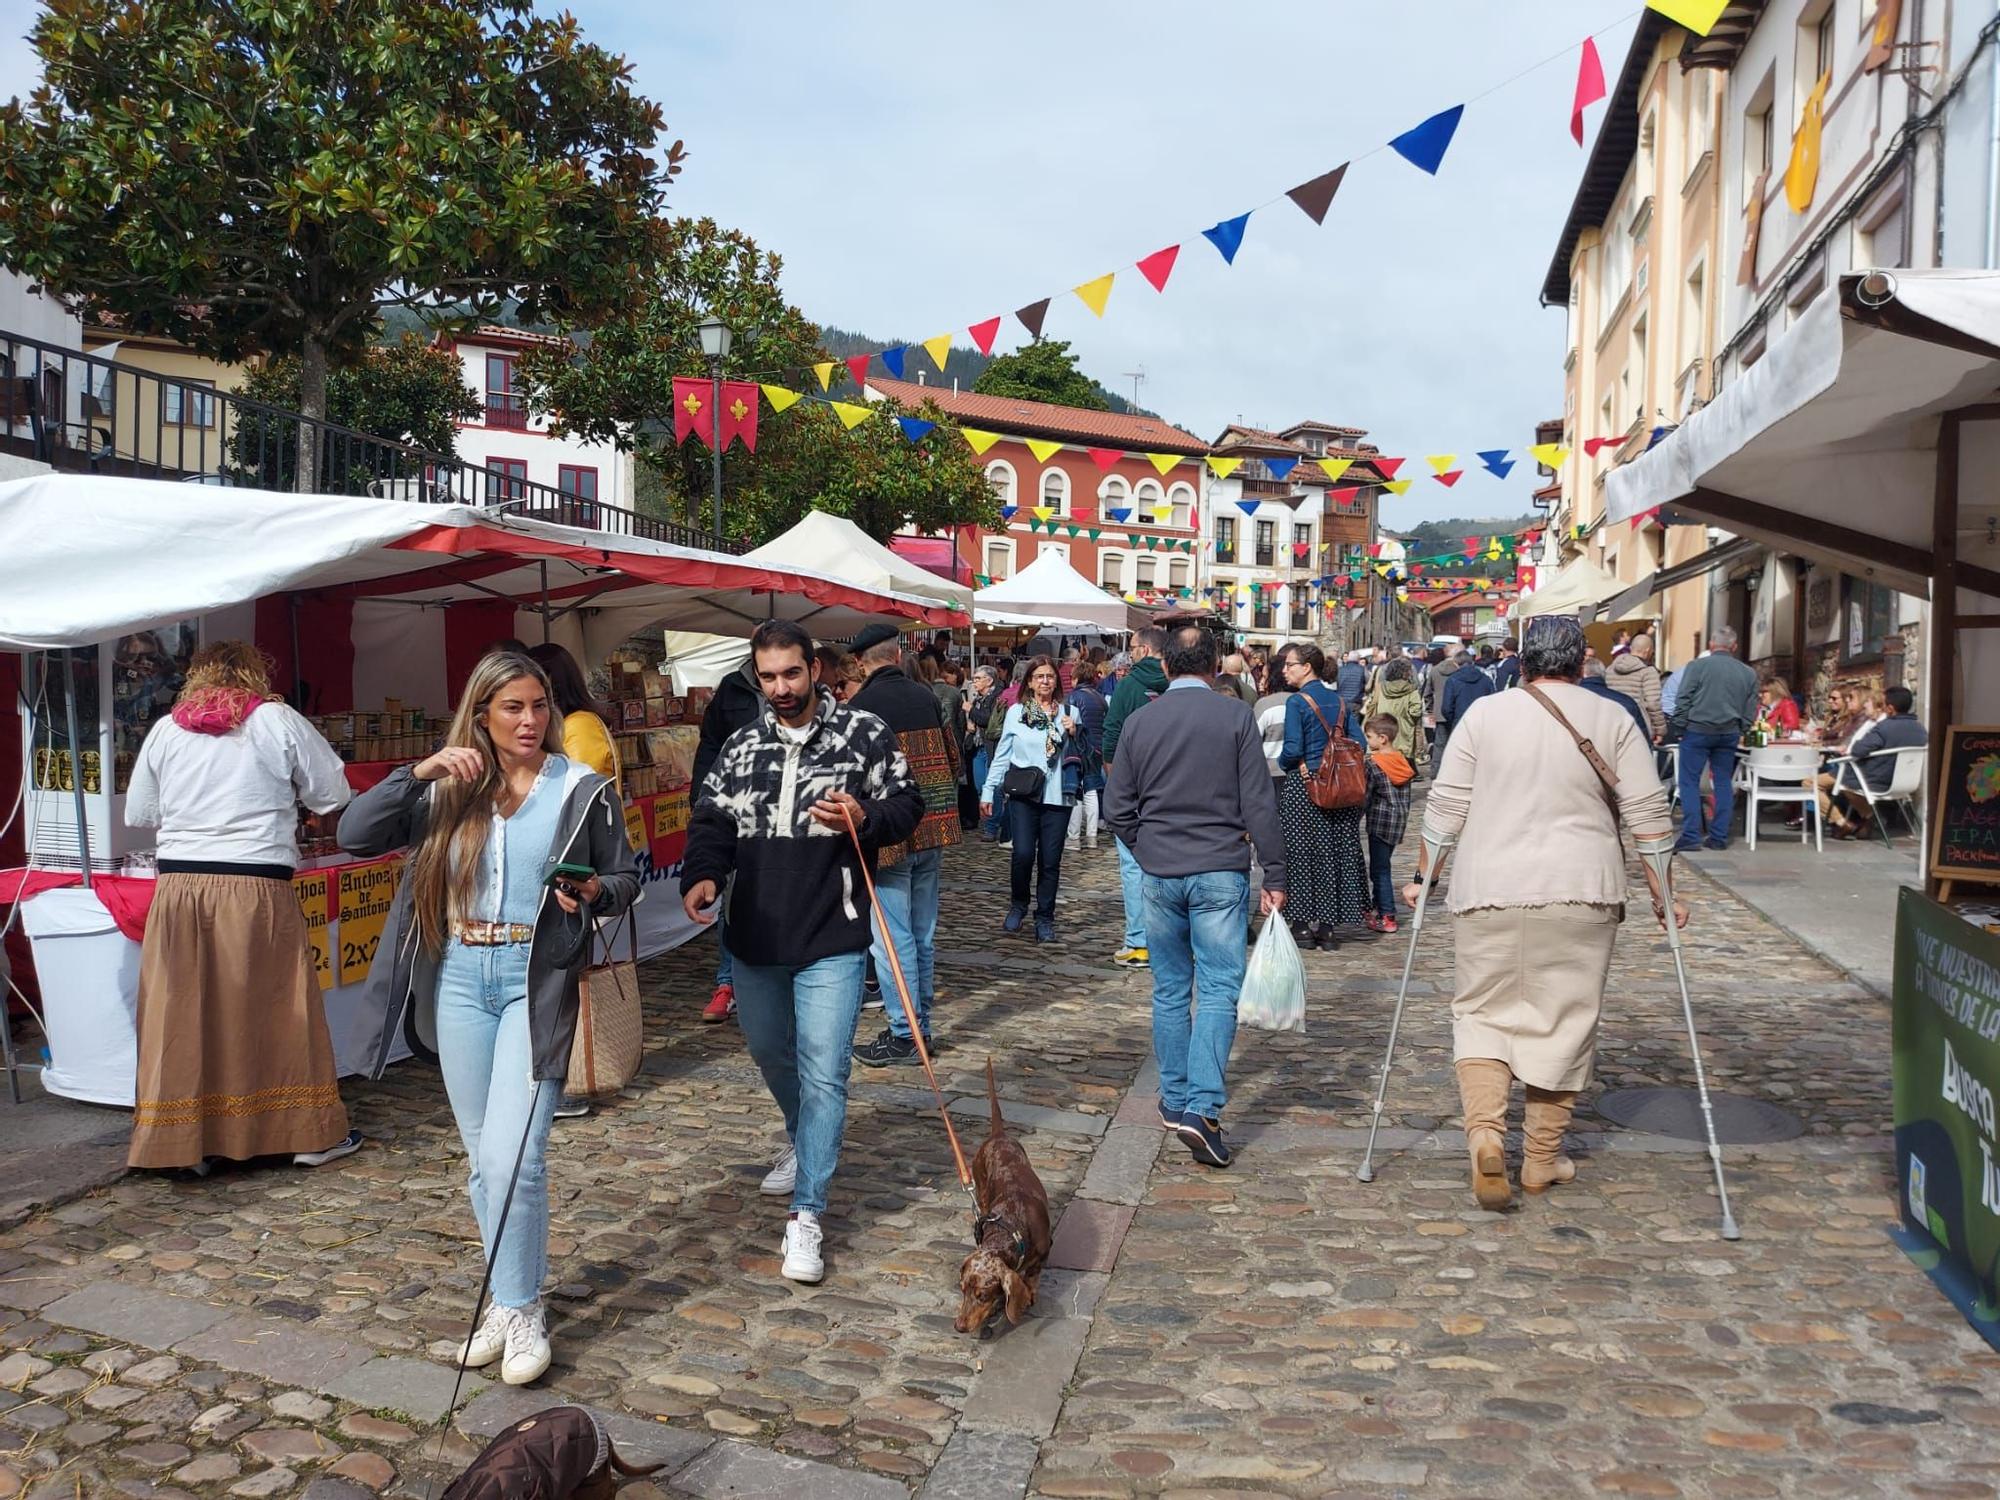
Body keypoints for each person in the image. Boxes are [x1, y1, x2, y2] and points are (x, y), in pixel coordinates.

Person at [340, 650, 640, 1383]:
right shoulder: (450, 789)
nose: (532, 721)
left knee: (518, 1156)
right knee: (483, 1158)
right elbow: (353, 833)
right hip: (459, 976)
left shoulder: (582, 788)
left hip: (534, 978)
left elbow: (624, 877)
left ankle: (522, 1306)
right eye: (514, 708)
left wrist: (595, 892)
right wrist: (417, 773)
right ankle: (509, 1301)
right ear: (482, 715)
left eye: (540, 705)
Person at [1408, 616, 1682, 1212]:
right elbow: (1648, 813)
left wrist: (1422, 877)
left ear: (1523, 662)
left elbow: (1445, 806)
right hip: (1581, 888)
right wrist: (1664, 893)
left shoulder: (1486, 713)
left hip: (1487, 887)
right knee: (1565, 1019)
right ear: (1581, 665)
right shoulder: (1612, 716)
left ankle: (1485, 1136)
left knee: (1480, 1013)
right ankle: (1539, 1159)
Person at [678, 620, 922, 1283]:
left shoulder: (862, 734)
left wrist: (866, 817)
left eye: (792, 673)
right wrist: (702, 872)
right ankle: (802, 1135)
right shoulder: (741, 744)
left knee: (825, 1071)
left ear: (814, 668)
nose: (782, 688)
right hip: (756, 932)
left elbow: (908, 804)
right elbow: (712, 821)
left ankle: (807, 1214)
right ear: (756, 679)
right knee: (766, 1048)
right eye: (769, 677)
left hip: (833, 934)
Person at [124, 642, 360, 1174]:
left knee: (184, 1011)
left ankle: (186, 1143)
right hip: (254, 881)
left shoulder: (166, 730)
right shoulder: (276, 720)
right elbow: (332, 793)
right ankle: (302, 1134)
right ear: (257, 678)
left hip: (182, 886)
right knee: (277, 1006)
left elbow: (142, 811)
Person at [1102, 626, 1285, 1169]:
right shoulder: (1234, 718)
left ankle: (1177, 1097)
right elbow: (1259, 801)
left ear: (1164, 667)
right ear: (1214, 667)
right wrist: (1274, 871)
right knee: (1219, 988)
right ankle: (1200, 1107)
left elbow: (1117, 807)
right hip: (1220, 868)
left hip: (1162, 869)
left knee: (1170, 989)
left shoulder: (1140, 720)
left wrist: (1148, 847)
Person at [846, 624, 963, 1068]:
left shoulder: (859, 708)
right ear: (897, 656)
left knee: (892, 941)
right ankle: (921, 1025)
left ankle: (905, 1032)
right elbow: (954, 758)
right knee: (922, 935)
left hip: (890, 835)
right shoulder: (927, 696)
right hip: (932, 828)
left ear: (861, 662)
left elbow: (851, 780)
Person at [1275, 641, 1369, 951]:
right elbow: (1361, 743)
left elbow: (1292, 749)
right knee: (1335, 853)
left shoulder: (1297, 702)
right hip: (1340, 788)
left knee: (1301, 854)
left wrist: (1285, 764)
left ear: (1307, 668)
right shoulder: (1340, 702)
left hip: (1307, 785)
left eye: (1290, 664)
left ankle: (1302, 925)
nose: (1284, 670)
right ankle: (1328, 928)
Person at [982, 657, 1080, 943]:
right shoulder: (1017, 712)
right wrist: (989, 790)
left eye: (1049, 676)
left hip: (1058, 796)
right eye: (1039, 677)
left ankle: (1045, 916)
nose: (1045, 682)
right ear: (1030, 682)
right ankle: (1019, 903)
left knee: (1050, 860)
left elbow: (1084, 755)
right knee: (1023, 853)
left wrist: (1074, 731)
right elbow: (1002, 755)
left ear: (1057, 681)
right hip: (1024, 794)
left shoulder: (1070, 712)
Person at [692, 651, 765, 1025]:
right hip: (738, 810)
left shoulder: (807, 696)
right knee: (731, 900)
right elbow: (709, 744)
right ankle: (727, 983)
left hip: (787, 819)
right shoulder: (731, 689)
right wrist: (701, 797)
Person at [1101, 628, 1168, 969]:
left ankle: (1139, 941)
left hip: (1135, 784)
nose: (1129, 656)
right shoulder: (1178, 682)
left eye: (1131, 650)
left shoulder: (1128, 685)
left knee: (1132, 864)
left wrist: (1114, 776)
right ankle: (1170, 941)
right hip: (1172, 785)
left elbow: (1111, 731)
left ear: (1143, 650)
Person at [1668, 625, 1760, 851]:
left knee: (1689, 782)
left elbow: (1684, 697)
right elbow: (1751, 706)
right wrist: (1743, 728)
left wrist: (1679, 727)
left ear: (1710, 645)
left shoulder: (1697, 667)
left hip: (1697, 729)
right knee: (1722, 782)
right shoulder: (1748, 672)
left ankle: (1691, 835)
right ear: (1734, 646)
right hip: (1728, 732)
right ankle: (1718, 836)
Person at [1830, 685, 1925, 838]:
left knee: (1840, 780)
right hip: (1907, 783)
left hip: (1878, 781)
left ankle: (1854, 820)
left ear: (1890, 708)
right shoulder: (1920, 729)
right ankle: (1864, 821)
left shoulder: (1884, 727)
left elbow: (1857, 750)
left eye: (1883, 704)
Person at [1362, 715, 1415, 934]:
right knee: (1383, 864)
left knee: (1380, 870)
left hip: (1380, 822)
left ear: (1382, 738)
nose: (1368, 741)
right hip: (1397, 823)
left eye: (1370, 737)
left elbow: (1366, 795)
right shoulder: (1401, 759)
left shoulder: (1374, 764)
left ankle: (1387, 915)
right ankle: (1378, 906)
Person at [1065, 660, 1109, 851]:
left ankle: (1073, 836)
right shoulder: (1099, 697)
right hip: (1097, 748)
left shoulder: (1074, 697)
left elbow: (1069, 722)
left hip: (1079, 746)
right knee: (1091, 791)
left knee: (1076, 791)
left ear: (1076, 678)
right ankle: (1091, 836)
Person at [1363, 656, 1427, 770]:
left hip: (1383, 731)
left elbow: (1372, 705)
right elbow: (1416, 712)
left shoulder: (1381, 688)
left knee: (1384, 768)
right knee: (1402, 770)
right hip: (1404, 733)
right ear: (1405, 673)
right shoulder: (1412, 690)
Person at [1605, 633, 1666, 742]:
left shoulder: (1610, 669)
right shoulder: (1648, 672)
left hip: (1611, 724)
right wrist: (1659, 731)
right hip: (1638, 726)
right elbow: (1653, 703)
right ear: (1647, 650)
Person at [967, 665, 1005, 842]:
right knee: (980, 786)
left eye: (977, 678)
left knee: (992, 788)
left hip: (991, 748)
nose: (974, 681)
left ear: (989, 680)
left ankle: (991, 826)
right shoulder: (978, 699)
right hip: (978, 747)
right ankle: (992, 819)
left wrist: (970, 711)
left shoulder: (997, 697)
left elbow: (988, 720)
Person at [1580, 658, 1653, 742]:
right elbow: (1642, 739)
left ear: (1582, 674)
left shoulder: (1572, 699)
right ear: (1604, 675)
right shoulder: (1627, 702)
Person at [1438, 648, 1495, 756]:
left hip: (1459, 723)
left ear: (1456, 664)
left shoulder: (1452, 680)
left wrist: (1454, 719)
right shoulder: (1486, 679)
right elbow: (1493, 703)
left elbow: (1446, 708)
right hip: (1481, 724)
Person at [1335, 650, 1368, 716]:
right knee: (1354, 723)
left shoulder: (1340, 670)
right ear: (1358, 659)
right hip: (1356, 701)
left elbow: (1337, 684)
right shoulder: (1363, 669)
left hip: (1342, 701)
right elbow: (1368, 683)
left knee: (1342, 722)